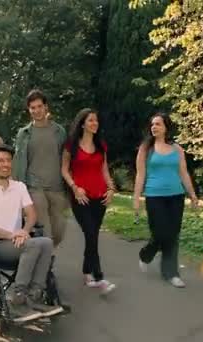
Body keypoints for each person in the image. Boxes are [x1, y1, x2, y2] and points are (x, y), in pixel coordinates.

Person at [0, 144, 64, 322]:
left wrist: (24, 230)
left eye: (8, 160)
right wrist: (10, 235)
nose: (5, 164)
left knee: (46, 242)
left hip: (19, 242)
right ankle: (17, 299)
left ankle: (34, 296)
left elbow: (31, 214)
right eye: (0, 160)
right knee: (36, 244)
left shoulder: (19, 187)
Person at [132, 112, 199, 288]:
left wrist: (192, 195)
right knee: (161, 233)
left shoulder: (177, 149)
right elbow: (140, 175)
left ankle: (171, 273)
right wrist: (136, 198)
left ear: (166, 127)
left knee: (172, 235)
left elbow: (184, 173)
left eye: (158, 124)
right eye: (152, 124)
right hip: (154, 196)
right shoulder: (146, 149)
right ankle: (146, 254)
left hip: (176, 195)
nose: (154, 127)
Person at [61, 108, 117, 295]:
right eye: (91, 120)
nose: (95, 123)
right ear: (82, 123)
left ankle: (87, 272)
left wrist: (111, 189)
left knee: (92, 236)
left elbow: (105, 171)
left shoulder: (101, 145)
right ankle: (99, 276)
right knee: (91, 233)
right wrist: (75, 187)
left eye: (96, 121)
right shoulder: (71, 145)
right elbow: (64, 170)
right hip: (81, 197)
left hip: (100, 196)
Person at [13, 89, 69, 248]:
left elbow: (66, 159)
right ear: (29, 110)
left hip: (57, 187)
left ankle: (45, 256)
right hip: (34, 187)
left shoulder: (59, 131)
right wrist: (17, 191)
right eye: (32, 108)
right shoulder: (24, 133)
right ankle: (47, 267)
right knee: (45, 230)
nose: (36, 111)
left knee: (59, 231)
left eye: (39, 106)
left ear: (46, 107)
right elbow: (18, 163)